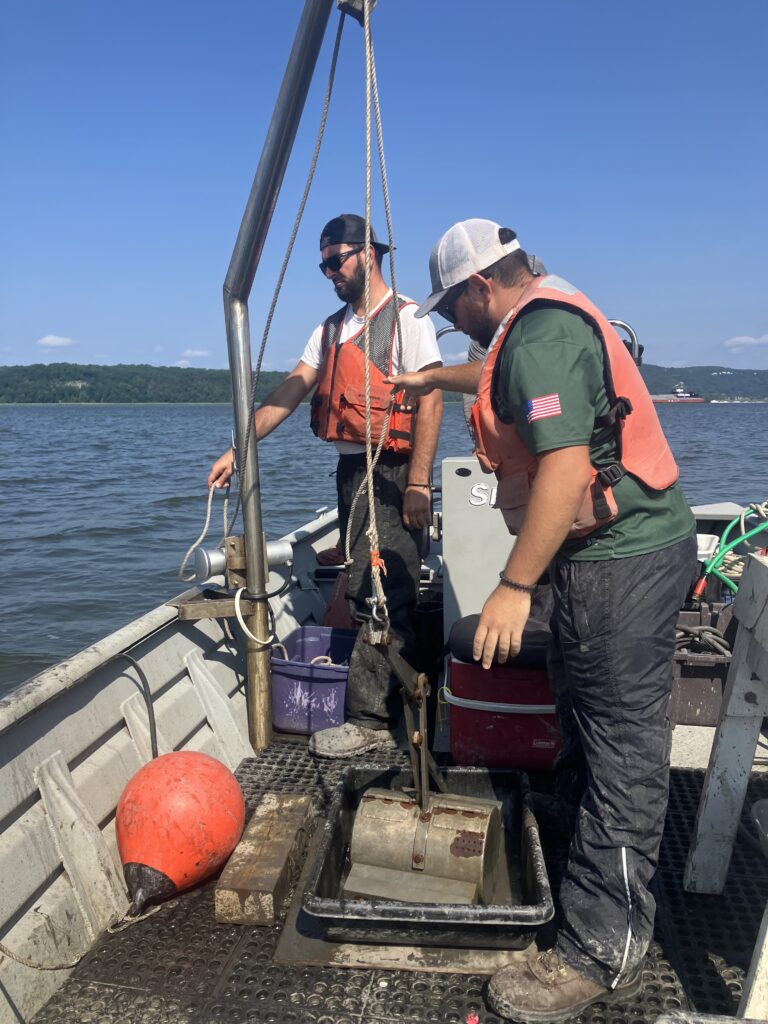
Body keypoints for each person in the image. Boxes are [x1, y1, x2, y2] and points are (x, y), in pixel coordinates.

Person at [388, 219, 696, 1024]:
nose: (456, 323)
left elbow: (563, 465)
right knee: (581, 719)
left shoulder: (541, 335)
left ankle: (603, 948)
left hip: (621, 562)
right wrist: (430, 383)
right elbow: (493, 376)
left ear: (480, 286)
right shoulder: (534, 323)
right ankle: (574, 837)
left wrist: (513, 584)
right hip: (600, 559)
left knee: (622, 751)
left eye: (454, 308)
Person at [208, 214, 442, 759]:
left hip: (391, 471)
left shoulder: (408, 320)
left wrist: (420, 484)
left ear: (369, 253)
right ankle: (389, 709)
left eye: (337, 260)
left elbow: (431, 400)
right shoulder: (328, 330)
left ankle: (371, 721)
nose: (329, 272)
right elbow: (288, 395)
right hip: (351, 472)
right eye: (323, 264)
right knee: (365, 582)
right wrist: (238, 452)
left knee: (380, 591)